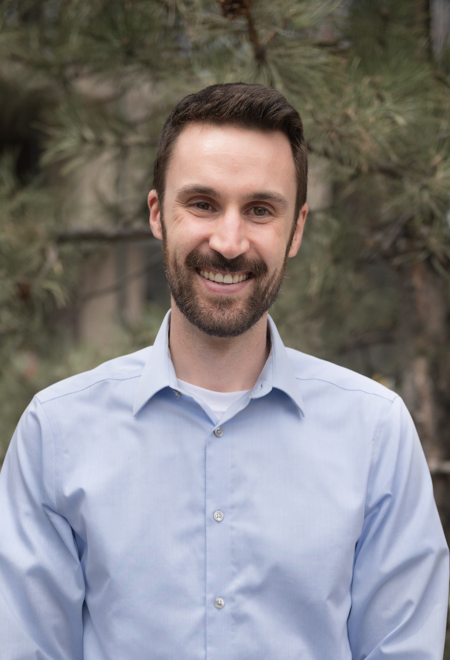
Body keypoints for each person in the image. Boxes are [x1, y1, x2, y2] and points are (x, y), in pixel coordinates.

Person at [0, 83, 448, 660]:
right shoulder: (56, 434)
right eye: (204, 204)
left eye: (260, 209)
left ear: (298, 229)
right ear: (159, 214)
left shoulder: (376, 433)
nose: (229, 242)